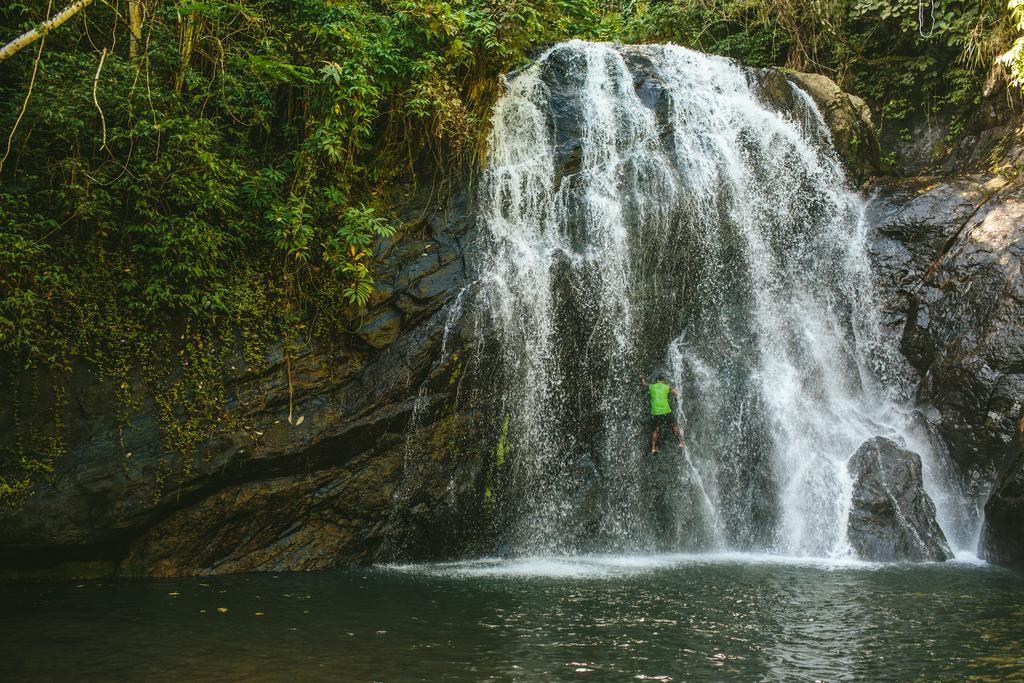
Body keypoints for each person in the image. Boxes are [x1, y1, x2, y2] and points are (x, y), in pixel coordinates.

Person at [643, 375, 686, 454]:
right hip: (666, 411)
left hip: (656, 412)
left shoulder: (651, 387)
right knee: (673, 426)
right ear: (663, 380)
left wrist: (642, 378)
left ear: (657, 381)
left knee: (656, 429)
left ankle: (653, 448)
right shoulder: (666, 387)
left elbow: (644, 385)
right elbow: (676, 393)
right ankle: (681, 443)